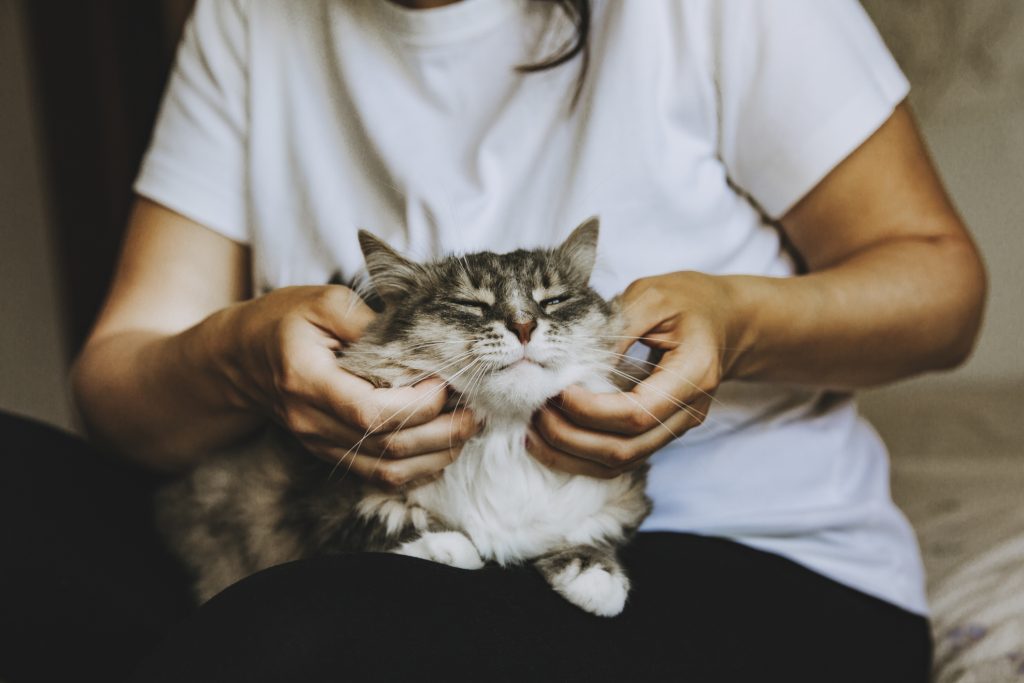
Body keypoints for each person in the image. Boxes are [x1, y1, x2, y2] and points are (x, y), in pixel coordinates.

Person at [1, 0, 986, 681]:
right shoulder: (250, 16)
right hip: (339, 531)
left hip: (739, 557)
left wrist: (740, 319)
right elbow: (123, 388)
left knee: (305, 637)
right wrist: (237, 357)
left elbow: (940, 284)